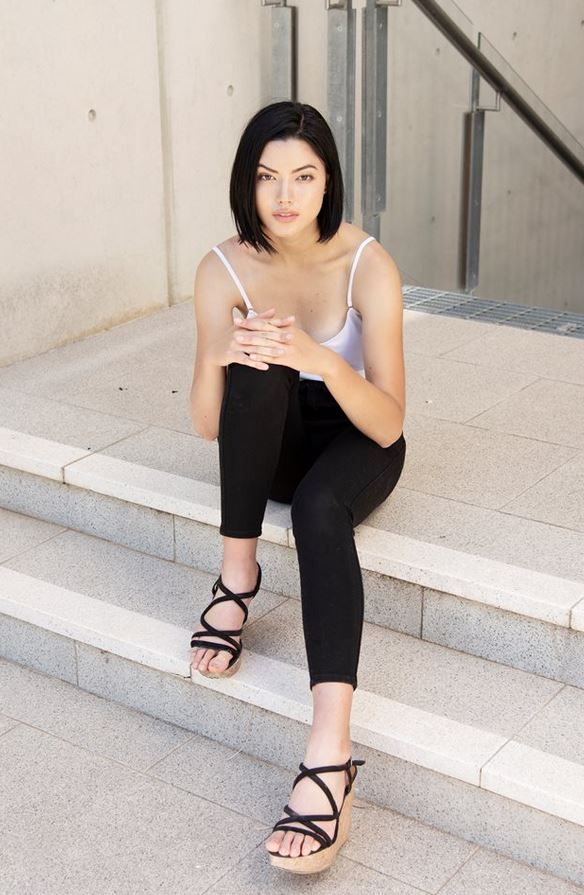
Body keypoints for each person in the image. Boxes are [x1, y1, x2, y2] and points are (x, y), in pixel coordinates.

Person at [189, 101, 406, 874]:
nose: (285, 196)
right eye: (267, 177)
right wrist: (219, 350)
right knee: (255, 374)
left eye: (304, 177)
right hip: (275, 442)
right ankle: (236, 575)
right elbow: (208, 423)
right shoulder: (220, 268)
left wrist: (320, 358)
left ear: (328, 181)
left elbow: (389, 420)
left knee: (319, 507)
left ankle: (330, 755)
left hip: (356, 434)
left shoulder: (366, 264)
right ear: (246, 183)